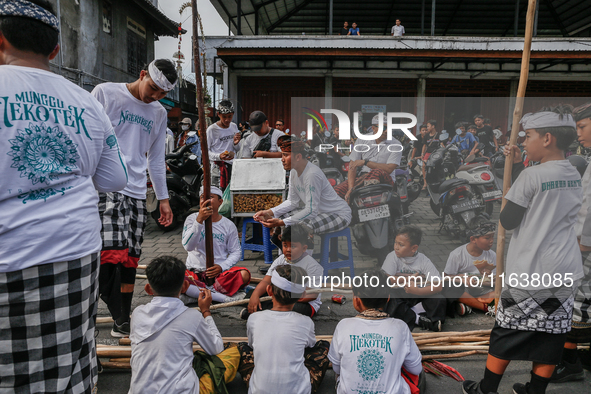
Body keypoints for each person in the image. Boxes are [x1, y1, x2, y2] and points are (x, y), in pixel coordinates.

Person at [0, 1, 128, 392]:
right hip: (75, 251)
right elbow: (114, 177)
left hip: (10, 256)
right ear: (56, 50)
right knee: (69, 360)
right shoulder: (87, 102)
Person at [463, 105, 584, 394]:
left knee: (507, 331)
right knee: (550, 335)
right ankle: (535, 390)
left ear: (547, 139)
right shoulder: (574, 171)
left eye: (527, 135)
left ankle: (487, 388)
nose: (522, 142)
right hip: (565, 269)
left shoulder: (531, 176)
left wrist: (516, 176)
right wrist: (519, 166)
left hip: (531, 269)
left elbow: (508, 220)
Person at [92, 58, 176, 337]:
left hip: (138, 192)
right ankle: (111, 312)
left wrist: (163, 199)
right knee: (108, 256)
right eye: (152, 88)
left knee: (130, 259)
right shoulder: (105, 93)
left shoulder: (159, 113)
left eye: (162, 94)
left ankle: (122, 319)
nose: (155, 96)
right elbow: (88, 138)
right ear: (142, 75)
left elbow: (155, 158)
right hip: (106, 187)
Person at [129, 256, 240, 394]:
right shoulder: (192, 316)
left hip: (138, 390)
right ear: (185, 287)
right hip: (182, 390)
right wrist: (206, 311)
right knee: (235, 351)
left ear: (148, 289)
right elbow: (216, 348)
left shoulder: (137, 314)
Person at [239, 264, 330, 394]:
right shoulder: (306, 321)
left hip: (259, 391)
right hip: (299, 391)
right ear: (301, 296)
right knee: (323, 346)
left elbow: (252, 345)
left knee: (243, 348)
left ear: (269, 290)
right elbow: (310, 345)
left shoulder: (254, 319)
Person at [328, 270, 423, 394]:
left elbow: (337, 368)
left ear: (356, 300)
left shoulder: (343, 325)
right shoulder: (400, 327)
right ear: (388, 298)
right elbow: (416, 369)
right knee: (417, 375)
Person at [550, 102, 591, 382]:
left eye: (583, 127)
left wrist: (583, 246)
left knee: (577, 304)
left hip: (584, 247)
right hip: (579, 242)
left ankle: (571, 362)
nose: (579, 134)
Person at [254, 136, 351, 237]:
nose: (282, 160)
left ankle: (304, 253)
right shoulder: (293, 172)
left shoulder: (312, 174)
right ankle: (284, 252)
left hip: (338, 214)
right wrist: (269, 212)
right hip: (318, 212)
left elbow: (311, 211)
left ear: (298, 157)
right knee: (283, 216)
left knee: (301, 226)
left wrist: (282, 222)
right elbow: (292, 202)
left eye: (285, 155)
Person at [181, 186, 250, 302]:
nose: (206, 200)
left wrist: (221, 267)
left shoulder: (228, 225)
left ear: (220, 202)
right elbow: (188, 246)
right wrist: (199, 221)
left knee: (244, 275)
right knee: (174, 278)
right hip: (194, 272)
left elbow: (236, 252)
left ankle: (197, 294)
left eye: (211, 197)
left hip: (218, 276)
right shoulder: (191, 219)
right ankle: (223, 298)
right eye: (203, 197)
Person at [243, 225, 324, 319]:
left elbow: (312, 294)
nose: (288, 249)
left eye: (293, 246)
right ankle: (265, 310)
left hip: (300, 301)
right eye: (285, 245)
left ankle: (260, 312)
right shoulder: (281, 259)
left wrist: (283, 299)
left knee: (298, 310)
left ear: (304, 248)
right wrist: (255, 295)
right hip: (280, 296)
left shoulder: (313, 266)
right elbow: (266, 281)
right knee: (251, 295)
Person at [381, 226, 445, 332]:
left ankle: (409, 314)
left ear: (414, 248)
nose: (396, 247)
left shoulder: (424, 260)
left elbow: (438, 286)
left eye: (401, 245)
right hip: (399, 294)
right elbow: (387, 279)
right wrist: (407, 279)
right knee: (388, 298)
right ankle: (419, 319)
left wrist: (418, 291)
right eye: (395, 243)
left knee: (440, 299)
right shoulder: (392, 257)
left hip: (417, 295)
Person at [334, 114, 402, 202]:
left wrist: (365, 162)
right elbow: (352, 165)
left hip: (385, 179)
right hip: (363, 178)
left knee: (377, 172)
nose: (387, 131)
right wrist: (350, 188)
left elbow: (389, 169)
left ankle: (356, 190)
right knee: (336, 191)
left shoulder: (396, 144)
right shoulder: (362, 140)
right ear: (373, 128)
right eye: (384, 128)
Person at [443, 218, 497, 315]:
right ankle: (485, 308)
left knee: (505, 289)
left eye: (493, 237)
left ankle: (470, 304)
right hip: (464, 290)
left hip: (483, 290)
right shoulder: (457, 254)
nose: (491, 241)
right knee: (449, 287)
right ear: (473, 239)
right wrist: (460, 278)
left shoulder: (492, 255)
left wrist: (488, 279)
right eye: (487, 238)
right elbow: (445, 277)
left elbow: (496, 280)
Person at [206, 100, 238, 190]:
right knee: (218, 195)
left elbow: (237, 149)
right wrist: (219, 156)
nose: (227, 120)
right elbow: (205, 152)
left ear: (233, 114)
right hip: (218, 169)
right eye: (224, 117)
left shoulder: (234, 127)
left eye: (230, 116)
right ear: (218, 114)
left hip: (233, 166)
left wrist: (236, 143)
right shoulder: (211, 130)